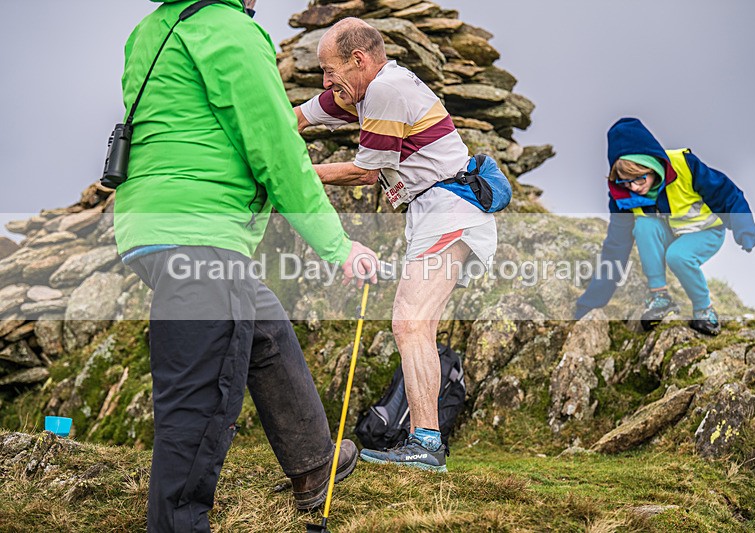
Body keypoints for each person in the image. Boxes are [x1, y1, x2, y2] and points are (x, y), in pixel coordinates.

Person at [113, 1, 378, 530]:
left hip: (150, 230)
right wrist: (337, 244)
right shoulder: (229, 30)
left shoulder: (150, 30)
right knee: (199, 407)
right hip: (200, 233)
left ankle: (313, 467)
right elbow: (277, 148)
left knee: (263, 327)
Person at [294, 17, 498, 473]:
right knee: (416, 326)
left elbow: (367, 171)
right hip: (436, 209)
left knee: (410, 323)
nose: (327, 82)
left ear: (358, 59)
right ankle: (424, 442)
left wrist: (295, 176)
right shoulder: (364, 91)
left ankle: (425, 444)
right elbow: (304, 116)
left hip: (450, 207)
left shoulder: (384, 89)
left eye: (330, 71)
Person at [575, 117, 755, 335]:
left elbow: (728, 194)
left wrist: (744, 227)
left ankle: (705, 311)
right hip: (671, 233)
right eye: (626, 182)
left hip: (706, 231)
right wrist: (591, 302)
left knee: (677, 256)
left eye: (640, 179)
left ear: (652, 167)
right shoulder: (623, 196)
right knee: (644, 226)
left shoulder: (685, 166)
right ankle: (660, 299)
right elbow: (616, 248)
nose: (634, 188)